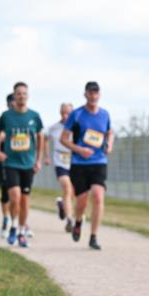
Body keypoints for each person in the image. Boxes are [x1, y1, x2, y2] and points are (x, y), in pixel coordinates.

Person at [61, 85, 113, 250]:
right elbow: (64, 139)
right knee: (82, 201)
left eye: (96, 92)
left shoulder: (105, 114)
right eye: (90, 92)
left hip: (99, 162)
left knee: (98, 197)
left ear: (99, 94)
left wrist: (109, 145)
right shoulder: (76, 114)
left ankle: (93, 236)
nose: (93, 95)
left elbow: (109, 132)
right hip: (79, 163)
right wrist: (80, 150)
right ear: (85, 94)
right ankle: (78, 222)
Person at [0, 82, 44, 248]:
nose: (21, 96)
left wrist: (38, 159)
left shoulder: (34, 116)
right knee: (14, 197)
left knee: (24, 200)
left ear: (27, 96)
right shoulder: (7, 116)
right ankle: (13, 226)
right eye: (18, 93)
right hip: (11, 163)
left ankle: (22, 232)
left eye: (24, 93)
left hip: (28, 164)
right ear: (14, 96)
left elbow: (40, 137)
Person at [46, 102, 76, 233]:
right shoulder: (54, 128)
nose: (65, 116)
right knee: (67, 187)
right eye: (62, 113)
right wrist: (46, 156)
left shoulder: (78, 127)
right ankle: (69, 220)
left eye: (68, 113)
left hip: (74, 161)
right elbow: (45, 139)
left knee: (72, 193)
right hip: (60, 161)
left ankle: (62, 205)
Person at [0, 93, 16, 238]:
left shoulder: (26, 117)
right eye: (13, 102)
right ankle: (6, 219)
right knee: (6, 193)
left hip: (22, 160)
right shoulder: (3, 118)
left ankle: (20, 224)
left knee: (20, 194)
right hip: (6, 160)